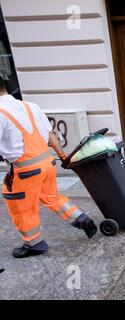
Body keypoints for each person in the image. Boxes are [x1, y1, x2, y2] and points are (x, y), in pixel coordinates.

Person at [0, 77, 98, 258]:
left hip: (25, 170)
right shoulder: (31, 106)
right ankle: (81, 219)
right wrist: (63, 157)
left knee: (22, 207)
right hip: (47, 163)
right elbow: (50, 134)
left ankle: (34, 244)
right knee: (51, 197)